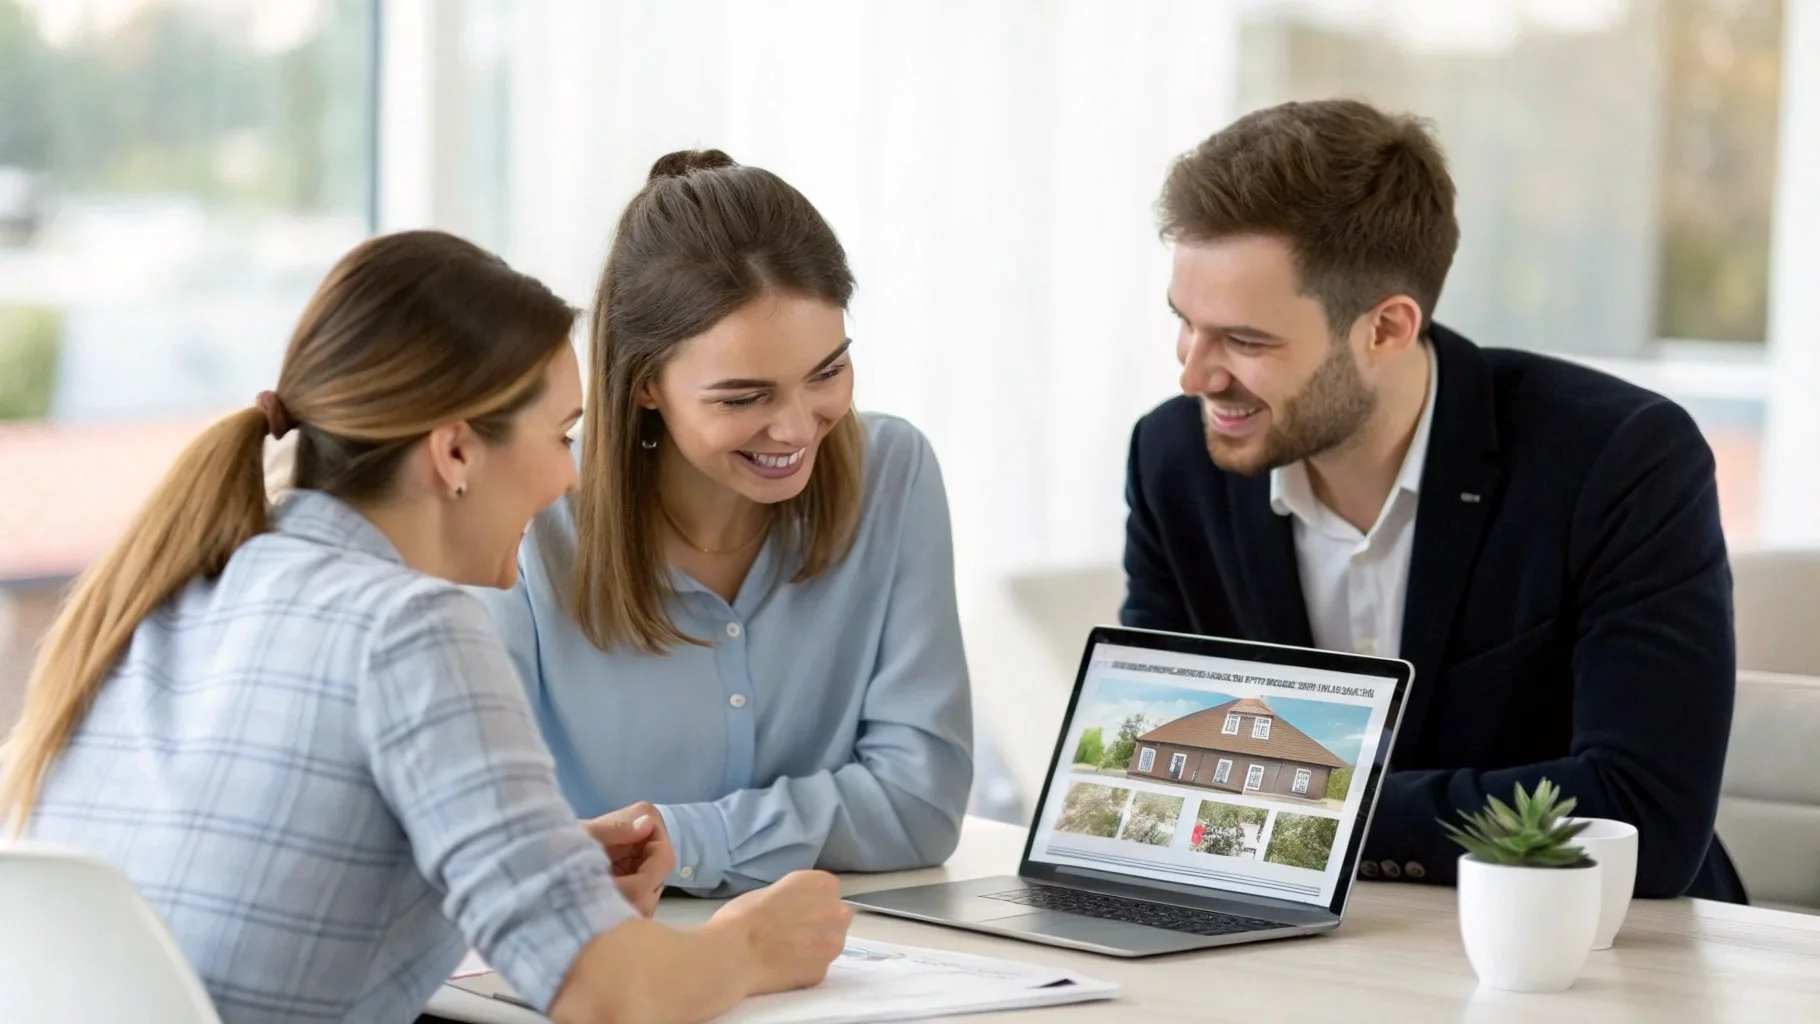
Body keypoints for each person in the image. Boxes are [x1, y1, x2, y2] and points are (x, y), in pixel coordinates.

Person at [1, 230, 851, 1024]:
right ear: (453, 454)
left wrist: (538, 860)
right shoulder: (410, 628)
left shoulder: (177, 579)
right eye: (560, 436)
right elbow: (608, 995)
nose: (567, 481)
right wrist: (750, 946)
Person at [1120, 99, 1746, 902]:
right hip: (1284, 945)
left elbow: (1640, 817)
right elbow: (1145, 775)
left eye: (1246, 341)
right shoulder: (1175, 458)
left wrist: (1298, 810)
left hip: (1592, 951)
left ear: (1385, 328)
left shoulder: (1618, 460)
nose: (1195, 374)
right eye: (1186, 325)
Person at [476, 149, 973, 896]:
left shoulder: (892, 476)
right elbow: (488, 830)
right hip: (597, 968)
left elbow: (919, 806)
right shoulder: (528, 516)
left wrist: (682, 839)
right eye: (744, 398)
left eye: (827, 372)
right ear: (644, 384)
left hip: (841, 960)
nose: (798, 428)